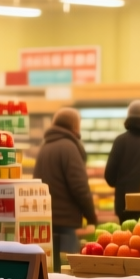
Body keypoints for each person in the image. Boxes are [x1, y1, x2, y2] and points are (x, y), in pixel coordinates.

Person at [40, 108, 98, 259]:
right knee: (68, 269)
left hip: (47, 221)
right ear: (74, 125)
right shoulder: (69, 147)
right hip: (66, 224)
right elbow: (79, 187)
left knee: (52, 268)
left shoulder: (45, 147)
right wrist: (92, 217)